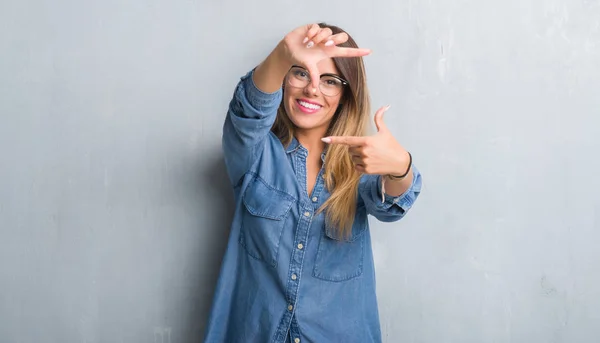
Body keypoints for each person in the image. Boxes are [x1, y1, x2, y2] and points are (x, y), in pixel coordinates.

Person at [204, 23, 423, 343]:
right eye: (301, 73)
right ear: (284, 79)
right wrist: (282, 55)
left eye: (330, 81)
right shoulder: (254, 154)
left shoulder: (360, 165)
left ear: (346, 95)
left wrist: (400, 168)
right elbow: (248, 110)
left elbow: (391, 204)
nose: (312, 89)